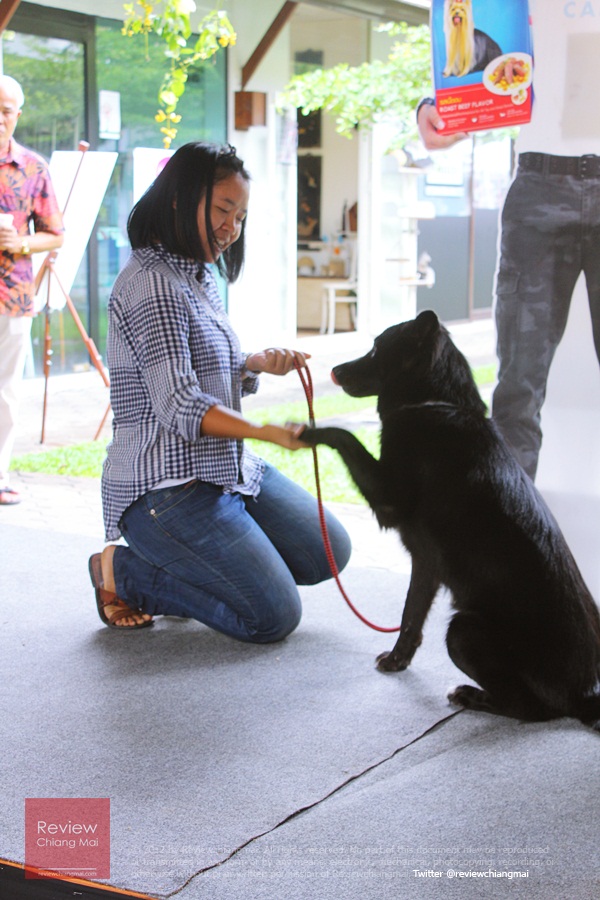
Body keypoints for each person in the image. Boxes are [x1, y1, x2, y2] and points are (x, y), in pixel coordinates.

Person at [89, 141, 351, 637]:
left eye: (242, 215)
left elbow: (204, 370)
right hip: (165, 490)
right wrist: (266, 432)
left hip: (223, 469)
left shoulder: (196, 273)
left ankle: (206, 563)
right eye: (223, 210)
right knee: (272, 617)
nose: (232, 228)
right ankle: (122, 572)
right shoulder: (152, 283)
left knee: (329, 553)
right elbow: (181, 404)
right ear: (178, 200)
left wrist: (250, 364)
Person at [417, 1, 600, 481]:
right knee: (517, 391)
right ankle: (507, 549)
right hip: (538, 184)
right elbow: (469, 69)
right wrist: (433, 109)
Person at [0, 75, 64, 505]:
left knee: (4, 389)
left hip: (11, 295)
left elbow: (55, 234)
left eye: (5, 109)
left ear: (17, 115)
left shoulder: (34, 168)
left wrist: (20, 242)